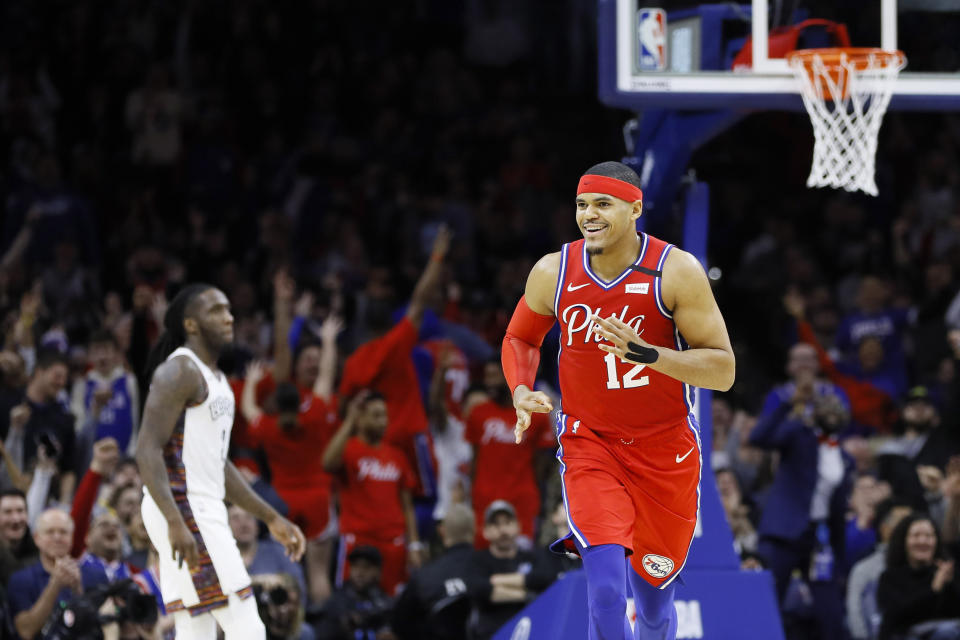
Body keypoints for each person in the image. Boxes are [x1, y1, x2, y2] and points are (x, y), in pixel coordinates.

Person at [501, 161, 735, 639]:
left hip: (664, 452)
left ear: (635, 209)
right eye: (582, 205)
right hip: (592, 445)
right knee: (606, 589)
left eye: (602, 204)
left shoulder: (675, 271)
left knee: (652, 604)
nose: (589, 214)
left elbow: (724, 370)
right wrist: (522, 389)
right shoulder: (554, 270)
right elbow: (520, 338)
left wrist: (652, 356)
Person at [135, 283, 305, 639]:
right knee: (247, 627)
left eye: (229, 309)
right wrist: (174, 520)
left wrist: (270, 516)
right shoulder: (180, 371)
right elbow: (147, 448)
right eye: (216, 310)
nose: (228, 317)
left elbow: (219, 465)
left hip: (199, 505)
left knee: (196, 629)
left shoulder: (219, 381)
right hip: (183, 506)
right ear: (191, 324)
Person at [240, 314, 342, 605]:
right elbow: (326, 377)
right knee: (319, 574)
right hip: (318, 499)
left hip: (282, 503)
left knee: (285, 572)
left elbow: (249, 409)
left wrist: (251, 381)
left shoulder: (268, 427)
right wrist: (329, 341)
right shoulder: (314, 414)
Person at [748, 380, 855, 640]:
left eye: (837, 410)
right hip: (782, 534)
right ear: (816, 412)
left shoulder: (844, 458)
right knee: (766, 605)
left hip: (817, 541)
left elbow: (837, 514)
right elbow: (758, 437)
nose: (832, 413)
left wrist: (840, 561)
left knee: (831, 613)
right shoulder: (798, 435)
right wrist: (788, 403)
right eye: (826, 409)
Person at [322, 391, 423, 596]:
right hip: (358, 541)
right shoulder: (349, 450)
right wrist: (350, 420)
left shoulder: (397, 455)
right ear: (361, 418)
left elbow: (407, 506)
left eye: (385, 415)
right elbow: (327, 463)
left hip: (393, 542)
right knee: (350, 598)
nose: (383, 421)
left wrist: (413, 544)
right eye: (376, 415)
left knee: (392, 599)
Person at [465, 357, 554, 547]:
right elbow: (475, 458)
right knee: (486, 558)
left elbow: (541, 463)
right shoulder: (478, 413)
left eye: (494, 376)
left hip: (522, 501)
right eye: (486, 376)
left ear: (510, 377)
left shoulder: (536, 414)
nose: (489, 382)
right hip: (485, 499)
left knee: (521, 559)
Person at [465, 500, 561, 640]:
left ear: (518, 526)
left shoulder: (532, 556)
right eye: (496, 524)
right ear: (485, 531)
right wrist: (528, 595)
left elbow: (546, 578)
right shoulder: (477, 560)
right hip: (491, 633)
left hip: (532, 631)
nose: (503, 530)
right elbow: (477, 588)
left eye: (508, 522)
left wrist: (496, 580)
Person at [8, 509, 109, 640]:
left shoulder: (97, 575)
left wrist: (78, 591)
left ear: (72, 537)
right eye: (50, 532)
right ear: (37, 538)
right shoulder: (20, 579)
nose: (57, 537)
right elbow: (26, 631)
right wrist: (55, 585)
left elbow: (105, 624)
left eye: (63, 532)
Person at [392, 503, 477, 640]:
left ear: (442, 531)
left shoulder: (424, 576)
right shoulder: (493, 570)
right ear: (474, 529)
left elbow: (400, 625)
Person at [877, 514, 960, 640]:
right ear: (903, 541)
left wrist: (949, 585)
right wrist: (934, 590)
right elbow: (898, 616)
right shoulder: (890, 578)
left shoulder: (945, 574)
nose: (922, 541)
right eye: (916, 536)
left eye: (928, 536)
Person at [71, 329, 140, 467]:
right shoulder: (81, 385)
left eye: (106, 350)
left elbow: (135, 421)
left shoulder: (129, 381)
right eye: (96, 351)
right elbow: (79, 430)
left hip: (124, 460)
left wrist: (132, 456)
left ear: (116, 353)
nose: (102, 356)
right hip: (92, 462)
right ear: (89, 355)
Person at [846, 498, 912, 640]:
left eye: (912, 523)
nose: (909, 529)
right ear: (884, 528)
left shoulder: (925, 564)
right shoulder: (864, 569)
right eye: (903, 523)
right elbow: (855, 614)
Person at [228, 505, 307, 605]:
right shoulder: (220, 558)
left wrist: (279, 582)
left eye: (248, 517)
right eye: (236, 519)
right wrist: (258, 581)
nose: (244, 524)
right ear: (226, 526)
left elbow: (298, 587)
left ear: (257, 525)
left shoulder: (278, 552)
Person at [315, 545, 396, 640]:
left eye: (366, 567)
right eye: (355, 566)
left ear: (378, 571)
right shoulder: (337, 600)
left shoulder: (386, 603)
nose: (359, 573)